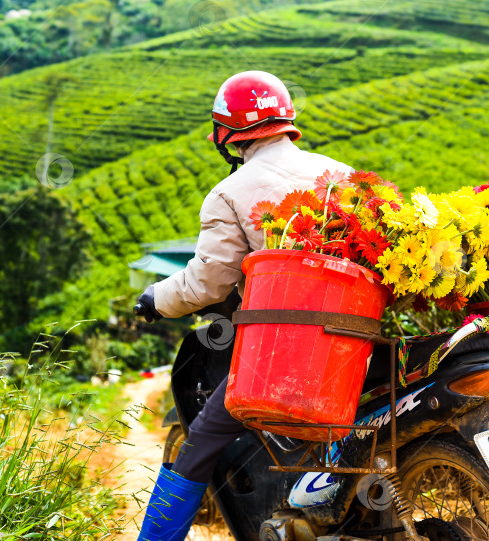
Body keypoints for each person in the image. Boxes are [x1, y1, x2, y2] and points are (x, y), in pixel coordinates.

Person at [135, 71, 353, 541]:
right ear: (287, 121)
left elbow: (207, 283)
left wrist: (155, 299)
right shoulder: (342, 174)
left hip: (281, 353)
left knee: (202, 443)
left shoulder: (230, 193)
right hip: (356, 343)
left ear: (225, 134)